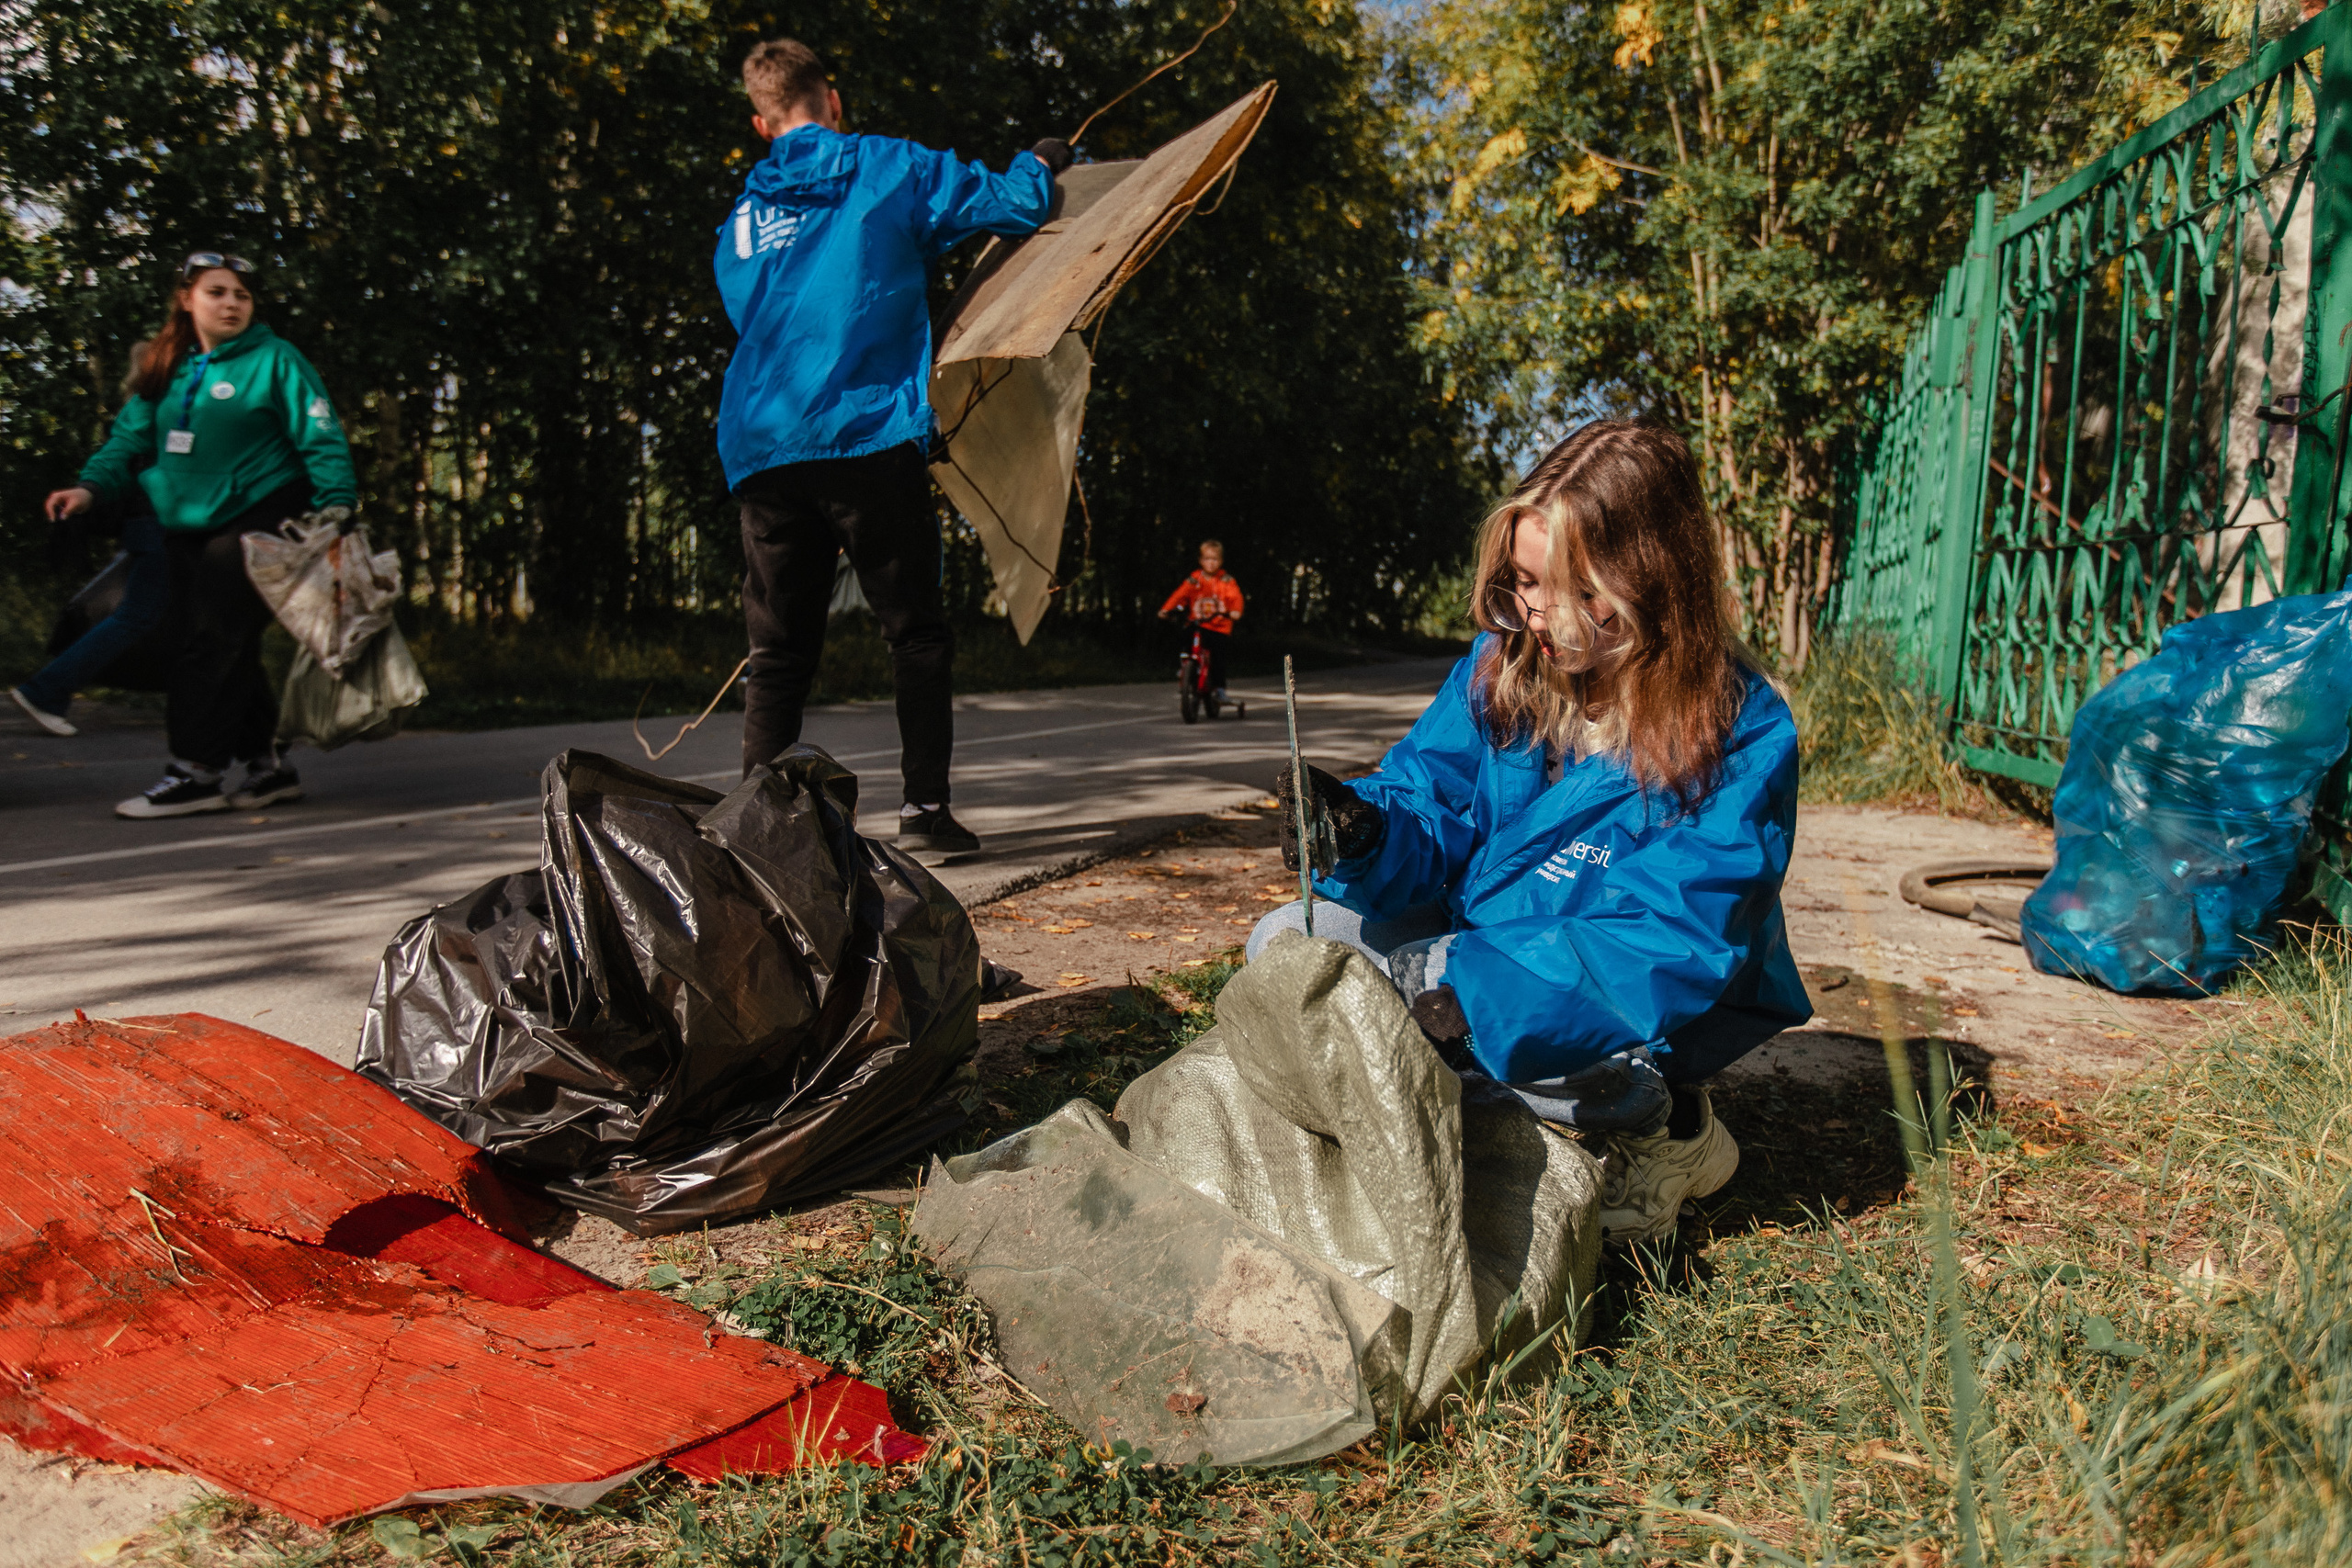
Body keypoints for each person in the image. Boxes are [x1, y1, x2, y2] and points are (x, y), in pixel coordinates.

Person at [1254, 421, 1811, 1244]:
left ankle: (1671, 1128)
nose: (1537, 613)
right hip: (1481, 952)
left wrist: (1473, 989)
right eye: (1523, 581)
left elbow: (1667, 940)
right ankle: (1452, 1102)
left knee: (1525, 1049)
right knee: (1288, 943)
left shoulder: (1738, 731)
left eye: (1570, 588)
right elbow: (1431, 795)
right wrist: (1367, 830)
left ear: (1651, 579)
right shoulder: (1503, 663)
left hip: (1624, 1009)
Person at [716, 37, 1069, 855]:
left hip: (764, 448)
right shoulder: (888, 167)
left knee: (776, 654)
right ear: (831, 100)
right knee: (913, 630)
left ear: (762, 124)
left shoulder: (740, 222)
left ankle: (753, 835)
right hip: (867, 432)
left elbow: (756, 315)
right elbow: (1015, 204)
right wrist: (1042, 158)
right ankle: (923, 813)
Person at [46, 252, 358, 818]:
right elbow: (126, 440)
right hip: (188, 521)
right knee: (219, 641)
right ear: (187, 299)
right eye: (218, 292)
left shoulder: (274, 359)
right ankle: (268, 766)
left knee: (210, 637)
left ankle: (196, 773)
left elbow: (321, 432)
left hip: (265, 509)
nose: (232, 304)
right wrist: (89, 489)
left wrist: (336, 502)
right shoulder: (168, 365)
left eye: (241, 294)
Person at [10, 345, 171, 739]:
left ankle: (48, 690)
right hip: (159, 523)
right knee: (138, 616)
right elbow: (118, 456)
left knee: (168, 617)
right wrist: (87, 490)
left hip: (150, 523)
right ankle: (46, 690)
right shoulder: (162, 405)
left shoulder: (146, 402)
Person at [1158, 538, 1244, 700]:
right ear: (1200, 561)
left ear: (1221, 561)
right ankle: (1186, 666)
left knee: (1218, 656)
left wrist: (1235, 611)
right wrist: (1166, 609)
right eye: (1207, 559)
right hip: (1198, 623)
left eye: (1215, 559)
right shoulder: (1194, 579)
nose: (1211, 563)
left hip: (1218, 626)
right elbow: (1180, 595)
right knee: (1184, 636)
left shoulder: (1226, 581)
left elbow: (1235, 597)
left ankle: (1219, 688)